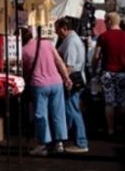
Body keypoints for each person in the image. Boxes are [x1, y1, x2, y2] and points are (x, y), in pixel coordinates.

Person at [22, 27, 73, 156]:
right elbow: (59, 61)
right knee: (58, 113)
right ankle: (59, 143)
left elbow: (25, 71)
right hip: (56, 82)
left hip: (39, 84)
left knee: (40, 114)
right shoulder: (46, 43)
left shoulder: (23, 51)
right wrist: (66, 78)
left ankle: (43, 144)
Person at [93, 12, 125, 138]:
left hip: (108, 72)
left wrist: (94, 69)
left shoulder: (103, 36)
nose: (104, 23)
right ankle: (120, 126)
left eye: (105, 21)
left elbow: (96, 56)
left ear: (109, 21)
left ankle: (110, 128)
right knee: (121, 102)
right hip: (123, 72)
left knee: (109, 102)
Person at [55, 19, 88, 153]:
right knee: (72, 109)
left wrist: (62, 80)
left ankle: (81, 142)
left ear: (64, 28)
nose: (57, 34)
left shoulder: (71, 42)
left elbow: (69, 66)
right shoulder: (71, 40)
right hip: (76, 78)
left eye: (57, 30)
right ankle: (76, 139)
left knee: (73, 110)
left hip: (73, 79)